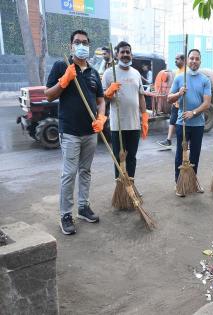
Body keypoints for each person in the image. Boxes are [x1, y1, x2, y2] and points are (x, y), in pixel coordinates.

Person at [45, 30, 106, 235]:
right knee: (69, 173)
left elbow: (100, 100)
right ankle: (65, 214)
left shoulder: (93, 72)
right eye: (77, 42)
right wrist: (63, 81)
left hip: (90, 132)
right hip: (70, 131)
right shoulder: (62, 66)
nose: (82, 45)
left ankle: (83, 207)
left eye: (85, 42)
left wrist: (101, 118)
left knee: (86, 171)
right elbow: (48, 95)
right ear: (71, 46)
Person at [102, 41, 148, 183]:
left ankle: (131, 186)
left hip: (134, 124)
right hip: (118, 125)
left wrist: (145, 116)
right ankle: (120, 189)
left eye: (128, 52)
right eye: (122, 52)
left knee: (132, 157)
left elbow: (141, 96)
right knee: (118, 157)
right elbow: (102, 98)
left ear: (131, 55)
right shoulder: (109, 73)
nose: (125, 54)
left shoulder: (136, 73)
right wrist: (108, 92)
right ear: (116, 55)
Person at [168, 49, 211, 196]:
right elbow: (169, 98)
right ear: (187, 60)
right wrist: (179, 93)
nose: (194, 61)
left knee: (195, 154)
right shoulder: (180, 78)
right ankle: (178, 183)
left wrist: (193, 113)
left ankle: (192, 181)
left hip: (198, 124)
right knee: (181, 153)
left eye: (197, 59)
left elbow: (206, 103)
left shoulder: (205, 80)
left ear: (200, 61)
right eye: (191, 58)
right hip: (182, 124)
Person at [157, 53, 185, 148]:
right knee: (172, 121)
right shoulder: (177, 72)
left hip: (184, 104)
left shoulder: (187, 72)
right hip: (176, 101)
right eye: (175, 59)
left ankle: (186, 143)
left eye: (177, 59)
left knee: (184, 124)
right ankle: (168, 140)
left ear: (183, 60)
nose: (175, 61)